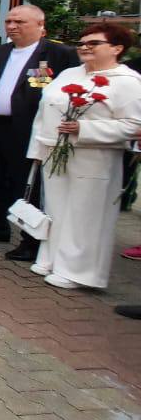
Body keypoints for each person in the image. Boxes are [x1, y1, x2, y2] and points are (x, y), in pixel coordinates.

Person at [27, 22, 141, 290]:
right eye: (82, 43)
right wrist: (37, 150)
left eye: (94, 43)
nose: (85, 48)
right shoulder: (69, 74)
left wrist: (84, 129)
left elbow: (134, 124)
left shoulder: (127, 81)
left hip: (94, 156)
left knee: (85, 214)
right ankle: (52, 258)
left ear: (116, 48)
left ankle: (79, 271)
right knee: (56, 209)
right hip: (55, 151)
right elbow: (44, 111)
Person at [0, 5, 77, 261]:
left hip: (26, 130)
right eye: (9, 21)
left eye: (19, 22)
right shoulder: (0, 52)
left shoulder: (59, 54)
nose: (11, 26)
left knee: (25, 183)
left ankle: (30, 240)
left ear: (40, 25)